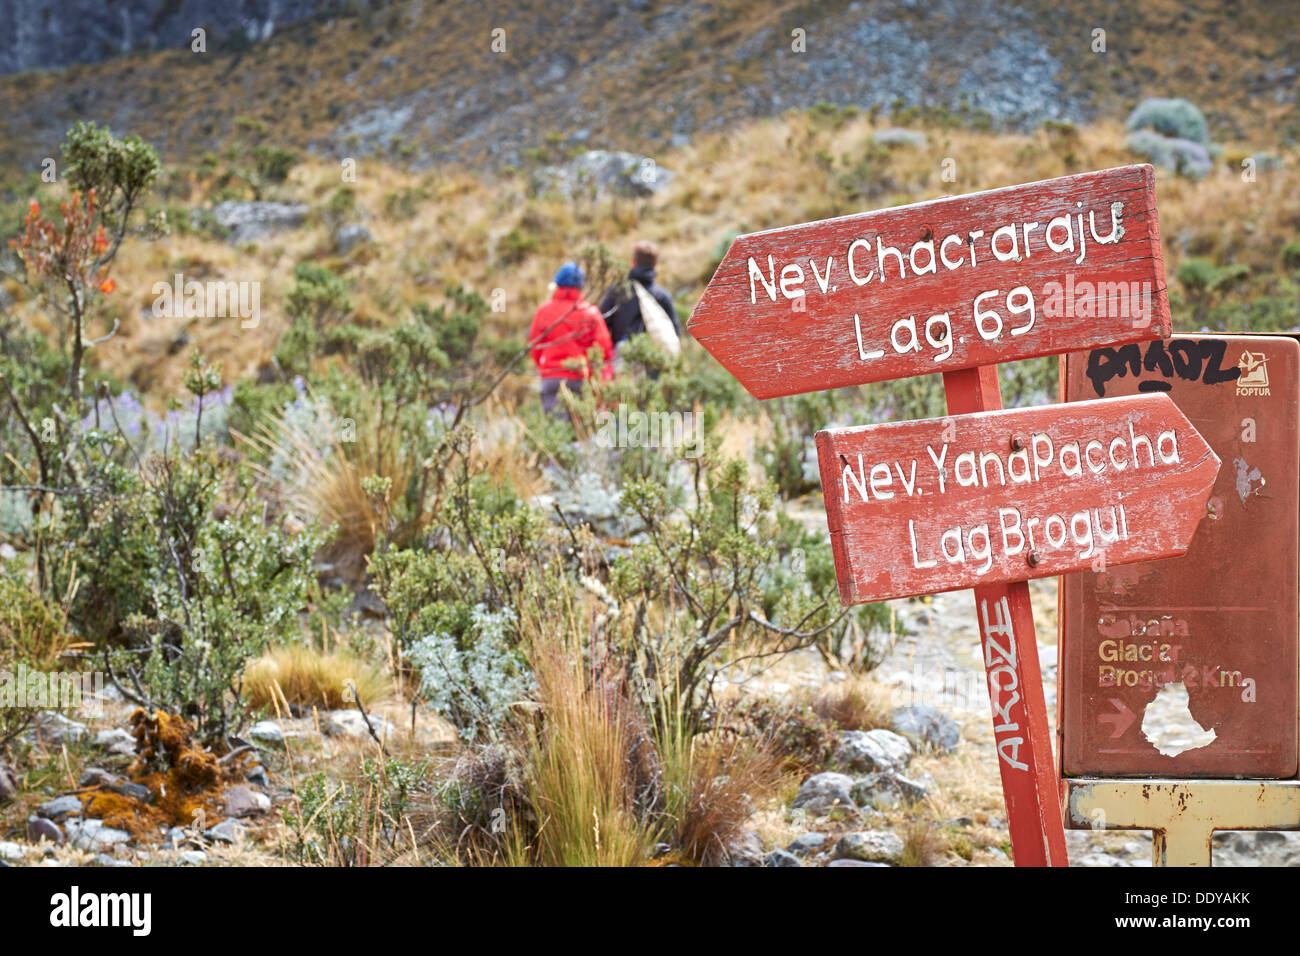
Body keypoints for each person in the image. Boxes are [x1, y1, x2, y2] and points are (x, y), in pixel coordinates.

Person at [529, 262, 614, 415]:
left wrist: (545, 368)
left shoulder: (544, 311)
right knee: (580, 433)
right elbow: (603, 349)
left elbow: (535, 346)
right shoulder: (591, 313)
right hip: (580, 380)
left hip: (551, 378)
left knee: (556, 431)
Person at [599, 240, 681, 348]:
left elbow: (601, 324)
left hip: (622, 358)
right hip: (655, 359)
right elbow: (675, 333)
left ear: (633, 262)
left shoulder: (619, 290)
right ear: (655, 264)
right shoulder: (663, 296)